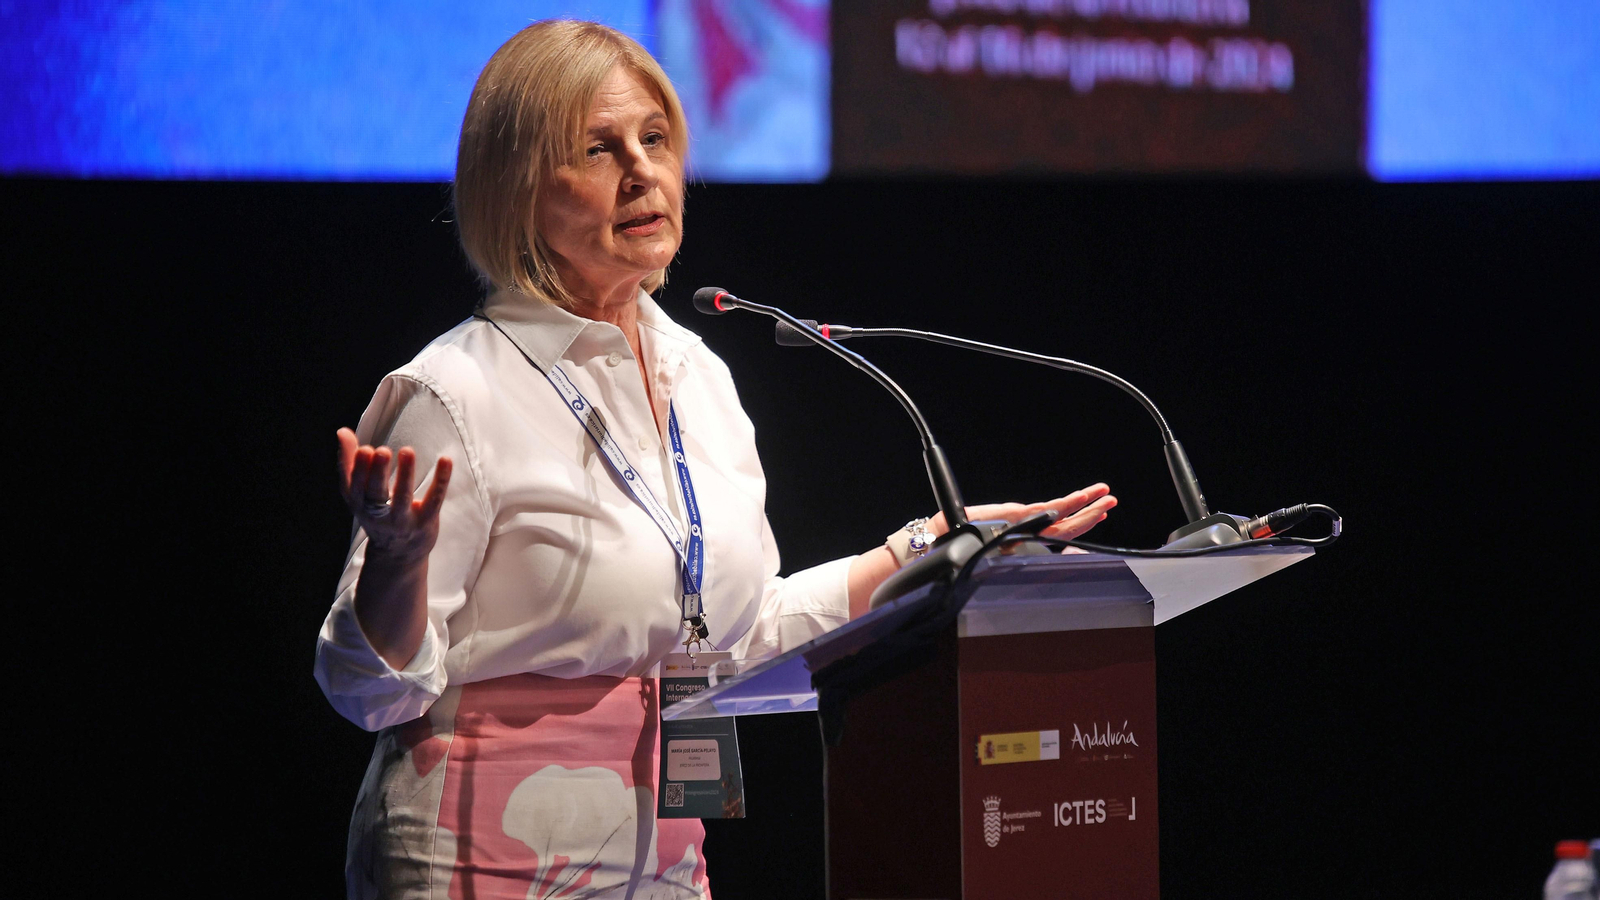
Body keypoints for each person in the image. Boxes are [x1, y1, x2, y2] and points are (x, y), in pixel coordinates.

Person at [314, 19, 1117, 900]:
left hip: (663, 864)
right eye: (598, 148)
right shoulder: (457, 393)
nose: (641, 172)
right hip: (479, 861)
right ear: (518, 187)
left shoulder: (699, 377)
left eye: (655, 139)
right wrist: (397, 563)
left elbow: (738, 636)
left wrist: (933, 549)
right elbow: (366, 692)